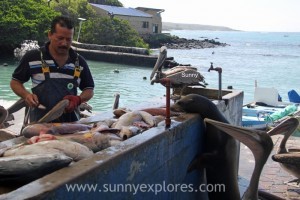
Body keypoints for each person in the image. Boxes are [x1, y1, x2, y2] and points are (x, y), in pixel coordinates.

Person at [10, 16, 94, 123]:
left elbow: (89, 89)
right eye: (60, 38)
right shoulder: (32, 57)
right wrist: (27, 95)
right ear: (50, 34)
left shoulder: (79, 62)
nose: (64, 43)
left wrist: (78, 99)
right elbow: (15, 82)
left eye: (68, 39)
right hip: (39, 122)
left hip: (71, 124)